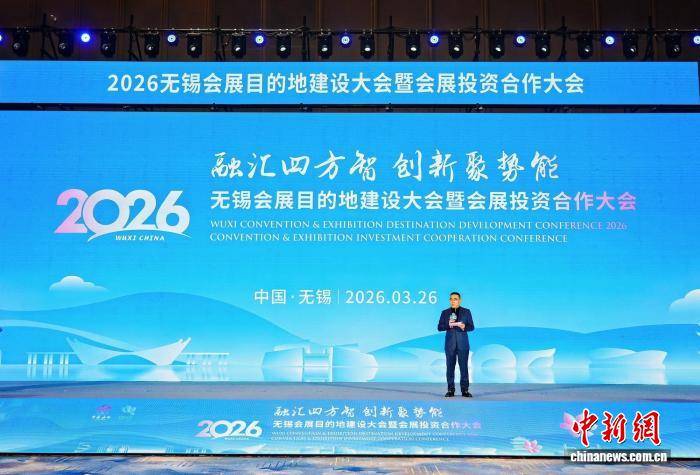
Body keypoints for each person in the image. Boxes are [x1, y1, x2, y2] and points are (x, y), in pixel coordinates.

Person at [437, 291, 474, 397]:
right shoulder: (445, 313)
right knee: (450, 367)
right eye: (451, 299)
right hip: (450, 344)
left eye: (455, 299)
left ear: (460, 300)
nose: (453, 301)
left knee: (464, 367)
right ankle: (450, 390)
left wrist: (464, 327)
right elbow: (439, 327)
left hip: (463, 344)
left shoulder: (466, 312)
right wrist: (449, 325)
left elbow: (471, 327)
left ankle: (465, 390)